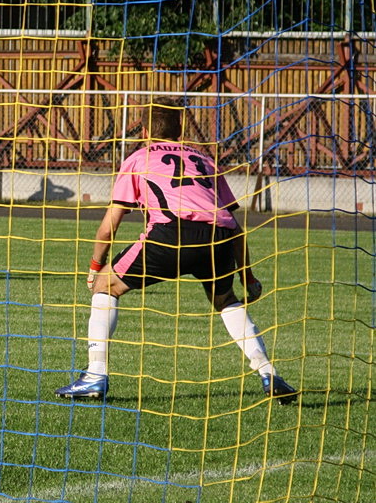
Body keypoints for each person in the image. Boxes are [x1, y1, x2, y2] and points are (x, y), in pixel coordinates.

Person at [55, 99, 298, 404]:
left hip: (171, 234)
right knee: (226, 300)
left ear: (143, 130)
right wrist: (248, 277)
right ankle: (267, 370)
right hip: (218, 238)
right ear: (181, 129)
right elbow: (233, 225)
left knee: (106, 286)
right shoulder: (205, 159)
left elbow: (109, 226)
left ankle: (95, 375)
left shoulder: (138, 158)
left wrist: (94, 269)